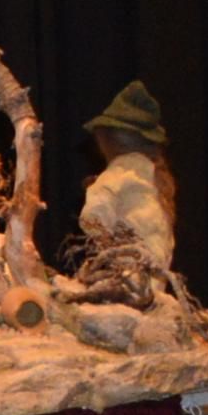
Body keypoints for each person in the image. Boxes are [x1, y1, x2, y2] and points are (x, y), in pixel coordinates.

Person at [77, 82, 178, 277]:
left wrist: (106, 254)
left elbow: (91, 219)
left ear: (105, 139)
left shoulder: (116, 175)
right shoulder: (154, 179)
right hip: (156, 279)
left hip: (127, 276)